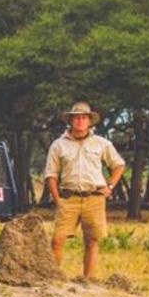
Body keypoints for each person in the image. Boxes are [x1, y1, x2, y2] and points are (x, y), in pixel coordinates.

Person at [44, 101, 126, 280]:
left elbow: (119, 165)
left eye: (83, 118)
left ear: (89, 121)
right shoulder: (58, 145)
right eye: (76, 118)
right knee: (57, 240)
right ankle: (53, 278)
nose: (80, 121)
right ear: (71, 121)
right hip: (69, 197)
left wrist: (110, 186)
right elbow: (51, 175)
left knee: (92, 240)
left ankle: (87, 280)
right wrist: (57, 200)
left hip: (94, 198)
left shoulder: (101, 143)